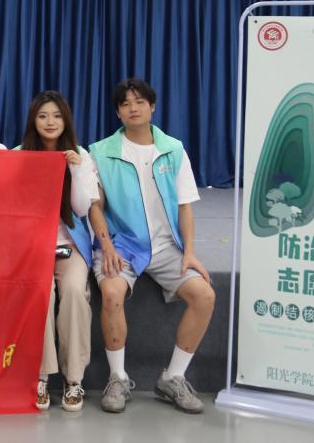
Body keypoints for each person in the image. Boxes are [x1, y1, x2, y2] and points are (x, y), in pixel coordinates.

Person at [88, 78, 215, 415]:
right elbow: (95, 206)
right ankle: (118, 378)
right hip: (122, 245)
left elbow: (185, 206)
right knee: (111, 293)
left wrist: (189, 252)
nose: (133, 108)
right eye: (125, 103)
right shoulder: (100, 152)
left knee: (204, 296)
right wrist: (107, 247)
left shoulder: (173, 149)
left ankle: (173, 378)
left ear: (152, 106)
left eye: (140, 101)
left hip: (165, 247)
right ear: (118, 112)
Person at [20, 91, 97, 412]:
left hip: (70, 247)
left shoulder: (81, 155)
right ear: (33, 121)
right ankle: (39, 376)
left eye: (56, 116)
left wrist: (75, 171)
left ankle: (73, 378)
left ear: (66, 120)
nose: (50, 122)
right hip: (32, 250)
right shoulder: (20, 155)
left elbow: (81, 208)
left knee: (75, 293)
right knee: (42, 296)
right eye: (42, 116)